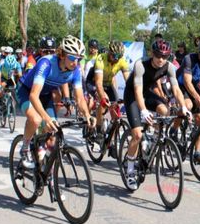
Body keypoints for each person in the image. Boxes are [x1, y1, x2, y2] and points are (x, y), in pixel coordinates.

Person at [16, 35, 94, 169]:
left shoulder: (75, 71)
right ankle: (25, 147)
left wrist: (87, 115)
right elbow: (34, 96)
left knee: (53, 135)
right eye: (72, 58)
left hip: (45, 95)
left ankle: (44, 169)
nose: (75, 62)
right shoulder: (46, 63)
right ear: (62, 54)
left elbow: (80, 98)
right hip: (26, 91)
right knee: (36, 120)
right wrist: (46, 118)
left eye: (79, 59)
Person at [122, 40, 190, 190]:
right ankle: (130, 170)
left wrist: (183, 107)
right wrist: (144, 110)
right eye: (158, 55)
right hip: (132, 94)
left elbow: (176, 90)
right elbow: (138, 91)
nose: (161, 59)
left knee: (164, 111)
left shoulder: (170, 66)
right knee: (138, 135)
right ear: (152, 54)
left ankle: (154, 140)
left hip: (147, 92)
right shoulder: (141, 65)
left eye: (165, 56)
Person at [93, 40, 131, 133]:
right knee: (103, 101)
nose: (116, 59)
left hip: (109, 84)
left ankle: (110, 142)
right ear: (109, 52)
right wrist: (103, 98)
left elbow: (129, 81)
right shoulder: (101, 58)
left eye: (119, 56)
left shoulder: (122, 61)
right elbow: (98, 83)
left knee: (116, 111)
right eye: (114, 56)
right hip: (95, 83)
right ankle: (98, 129)